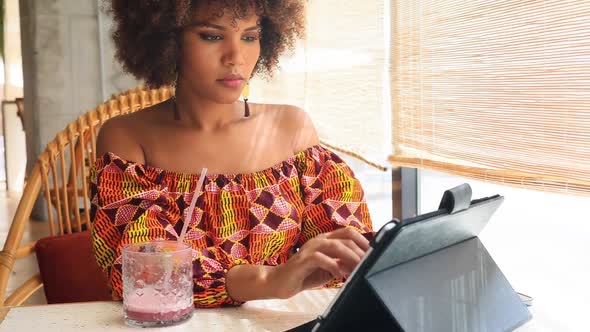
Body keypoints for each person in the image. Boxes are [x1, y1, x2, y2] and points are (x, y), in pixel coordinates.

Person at [91, 0, 374, 308]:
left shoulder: (291, 129)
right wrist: (270, 281)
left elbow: (347, 255)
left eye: (250, 37)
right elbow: (144, 274)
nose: (236, 57)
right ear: (167, 40)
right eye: (211, 36)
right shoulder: (128, 138)